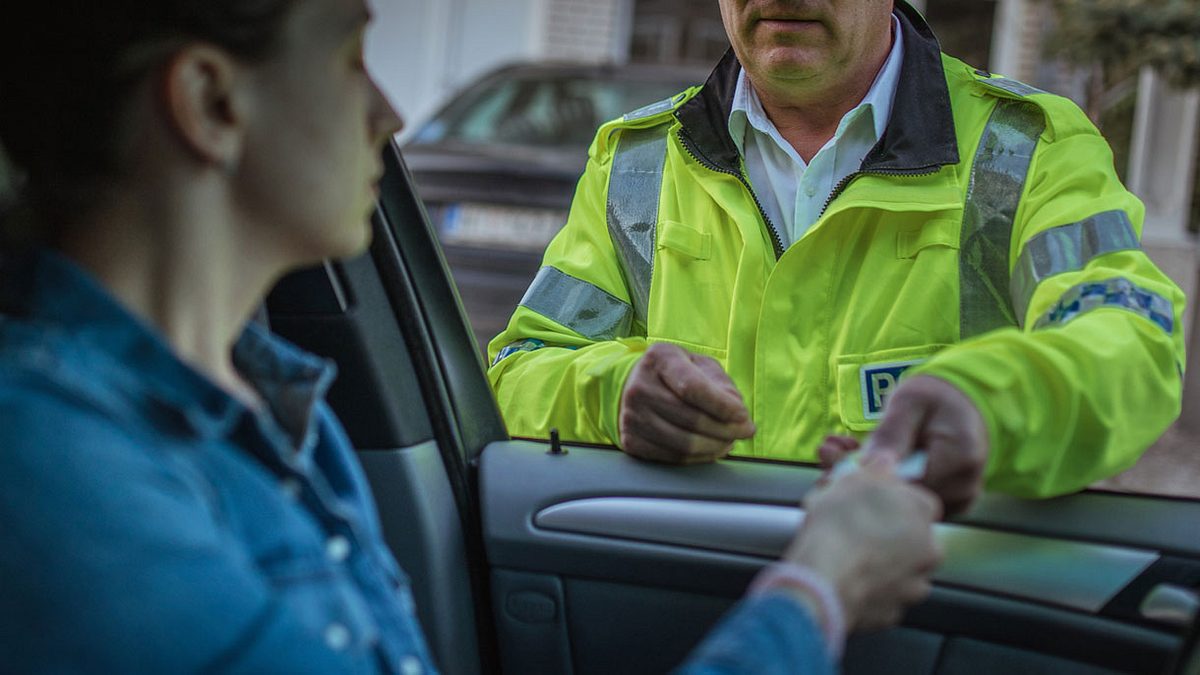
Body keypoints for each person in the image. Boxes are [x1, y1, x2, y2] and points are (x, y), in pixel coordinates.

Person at [0, 0, 941, 671]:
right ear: (210, 103)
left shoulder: (286, 412)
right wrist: (816, 590)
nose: (391, 112)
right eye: (347, 56)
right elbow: (524, 365)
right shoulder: (48, 473)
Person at [487, 0, 1187, 511]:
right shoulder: (634, 162)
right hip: (696, 603)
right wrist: (610, 395)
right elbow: (518, 372)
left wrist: (991, 406)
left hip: (924, 610)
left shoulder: (1027, 149)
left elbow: (1132, 340)